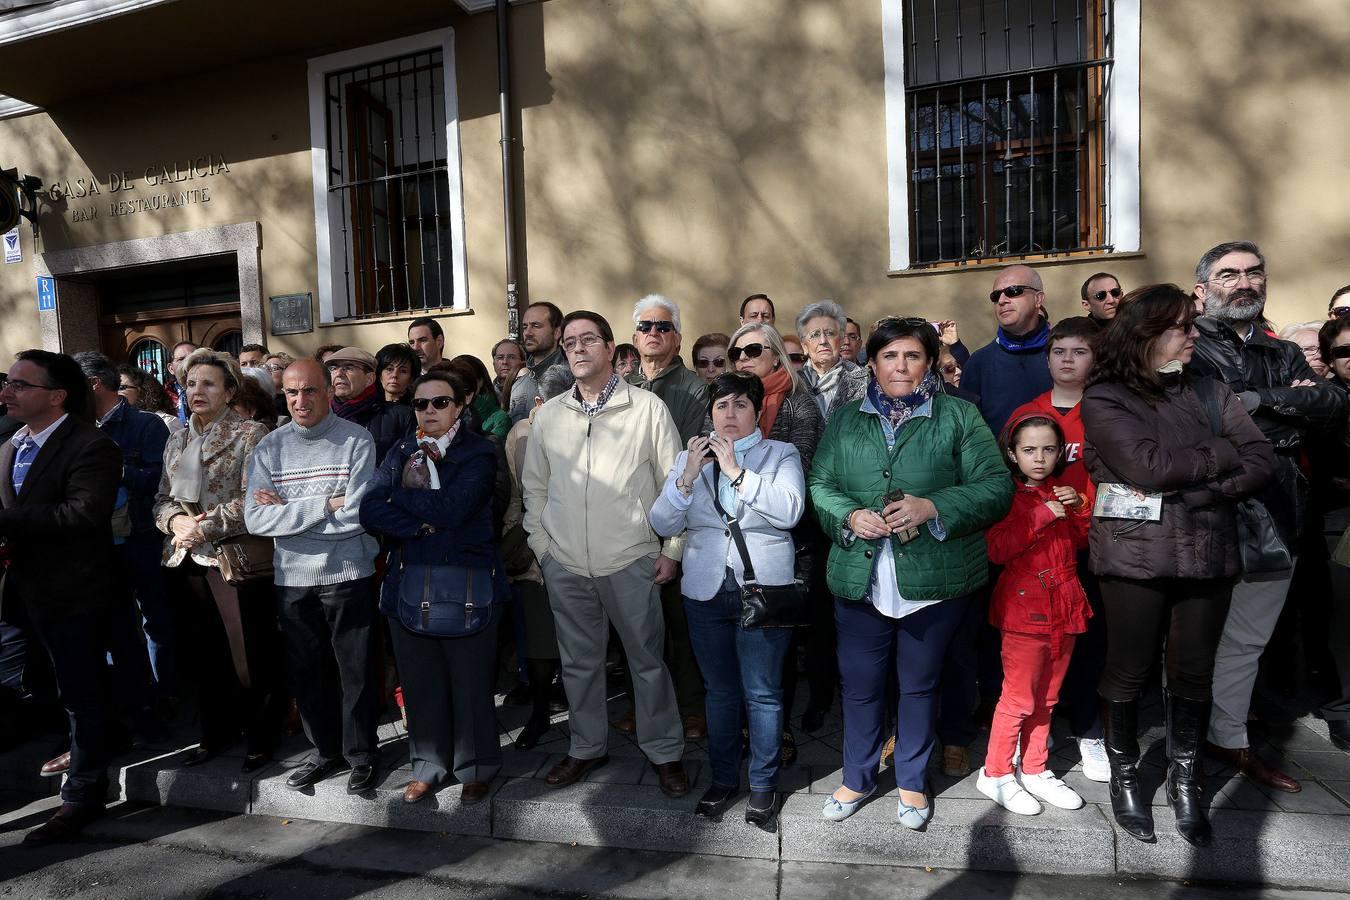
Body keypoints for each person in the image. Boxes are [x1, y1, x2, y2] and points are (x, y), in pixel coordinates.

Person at [1082, 283, 1276, 846]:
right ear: (1145, 335)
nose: (1193, 335)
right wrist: (1218, 458)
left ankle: (1185, 778)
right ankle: (1125, 777)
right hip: (1133, 557)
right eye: (1182, 327)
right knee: (1129, 669)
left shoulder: (1212, 390)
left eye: (1193, 325)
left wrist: (1205, 492)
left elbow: (1261, 457)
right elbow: (1147, 466)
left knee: (1193, 672)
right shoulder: (1106, 396)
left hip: (1209, 551)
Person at [808, 317, 1012, 828]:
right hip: (860, 576)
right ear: (872, 364)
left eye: (912, 356)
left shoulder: (960, 417)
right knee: (859, 687)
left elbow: (995, 487)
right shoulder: (845, 419)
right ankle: (856, 776)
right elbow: (821, 482)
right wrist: (850, 516)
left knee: (920, 685)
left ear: (928, 363)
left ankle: (912, 783)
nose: (901, 366)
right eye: (889, 356)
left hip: (935, 579)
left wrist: (933, 507)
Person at [1188, 241, 1349, 794]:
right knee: (1188, 638)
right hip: (1203, 512)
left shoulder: (1279, 349)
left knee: (1248, 639)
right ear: (1202, 289)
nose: (1244, 282)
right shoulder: (1186, 347)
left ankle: (1227, 737)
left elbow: (1331, 405)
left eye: (1254, 272)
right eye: (1229, 274)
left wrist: (1253, 402)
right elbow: (1201, 418)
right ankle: (1182, 747)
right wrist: (1283, 406)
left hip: (1278, 513)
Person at [521, 310, 690, 797]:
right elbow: (534, 489)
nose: (577, 348)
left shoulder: (646, 409)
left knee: (648, 663)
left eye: (587, 339)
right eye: (569, 340)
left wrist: (673, 548)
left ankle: (665, 752)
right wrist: (544, 549)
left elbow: (676, 484)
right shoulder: (550, 415)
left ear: (611, 348)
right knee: (577, 663)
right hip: (566, 562)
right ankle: (586, 746)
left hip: (632, 558)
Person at [650, 372, 806, 829]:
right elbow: (661, 521)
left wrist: (738, 472)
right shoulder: (689, 457)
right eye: (721, 406)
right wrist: (687, 478)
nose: (730, 414)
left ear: (758, 412)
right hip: (703, 587)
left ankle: (763, 785)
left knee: (762, 693)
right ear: (710, 413)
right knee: (719, 692)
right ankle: (722, 779)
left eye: (740, 405)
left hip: (763, 589)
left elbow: (790, 510)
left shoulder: (781, 454)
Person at [359, 369, 504, 805]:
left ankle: (476, 766)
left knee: (470, 682)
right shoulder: (401, 449)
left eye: (440, 402)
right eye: (421, 404)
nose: (429, 411)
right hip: (408, 581)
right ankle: (428, 765)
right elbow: (368, 509)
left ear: (460, 406)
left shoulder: (480, 451)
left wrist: (399, 500)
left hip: (468, 583)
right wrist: (422, 526)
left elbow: (455, 507)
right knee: (421, 684)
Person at [1, 350, 122, 845]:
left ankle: (82, 796)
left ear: (56, 395)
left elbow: (83, 514)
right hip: (19, 593)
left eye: (19, 384)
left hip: (73, 592)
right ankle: (73, 750)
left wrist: (6, 523)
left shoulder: (91, 445)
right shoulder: (10, 445)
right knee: (26, 685)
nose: (7, 391)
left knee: (81, 692)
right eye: (8, 382)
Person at [244, 359, 381, 795]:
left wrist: (287, 511)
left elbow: (357, 515)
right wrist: (326, 504)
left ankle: (361, 754)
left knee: (355, 671)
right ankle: (325, 751)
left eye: (309, 391)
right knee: (307, 671)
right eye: (291, 393)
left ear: (328, 392)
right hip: (291, 578)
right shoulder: (269, 447)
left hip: (348, 572)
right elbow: (256, 520)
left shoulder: (356, 440)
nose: (300, 401)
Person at [153, 349, 285, 773]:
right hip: (184, 557)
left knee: (248, 652)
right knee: (203, 654)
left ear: (230, 391)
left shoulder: (251, 434)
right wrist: (175, 522)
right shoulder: (177, 437)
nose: (197, 391)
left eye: (208, 383)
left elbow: (255, 501)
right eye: (190, 384)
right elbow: (161, 497)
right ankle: (216, 731)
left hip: (232, 558)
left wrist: (202, 528)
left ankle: (262, 734)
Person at [1005, 316, 1107, 781]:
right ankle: (1022, 739)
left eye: (1079, 351)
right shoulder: (1027, 411)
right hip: (1034, 555)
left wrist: (1083, 504)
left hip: (1090, 545)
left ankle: (1089, 732)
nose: (1068, 360)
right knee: (1032, 657)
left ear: (1094, 358)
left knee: (1087, 647)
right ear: (1047, 359)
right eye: (1059, 351)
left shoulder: (1108, 408)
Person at [978, 414, 1091, 816]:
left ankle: (1035, 767)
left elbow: (1080, 541)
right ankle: (995, 771)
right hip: (1024, 609)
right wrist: (1042, 514)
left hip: (1065, 604)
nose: (1039, 458)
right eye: (1028, 450)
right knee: (1019, 698)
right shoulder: (1003, 495)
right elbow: (997, 549)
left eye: (1048, 449)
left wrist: (1077, 508)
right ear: (1011, 453)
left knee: (1048, 696)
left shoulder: (1062, 490)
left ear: (1060, 452)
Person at [624, 295, 710, 736]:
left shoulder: (695, 389)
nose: (653, 333)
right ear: (634, 338)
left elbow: (692, 467)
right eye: (645, 327)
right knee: (638, 625)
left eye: (662, 326)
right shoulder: (622, 388)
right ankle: (646, 706)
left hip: (676, 525)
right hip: (627, 527)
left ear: (677, 337)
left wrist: (674, 545)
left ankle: (692, 706)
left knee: (679, 624)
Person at [76, 352, 173, 711]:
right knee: (110, 625)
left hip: (141, 536)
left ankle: (163, 696)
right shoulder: (78, 426)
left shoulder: (146, 425)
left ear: (93, 384)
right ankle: (129, 698)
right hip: (97, 542)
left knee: (154, 620)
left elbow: (162, 481)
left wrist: (115, 471)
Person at [504, 363, 572, 750]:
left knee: (577, 638)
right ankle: (541, 713)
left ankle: (576, 710)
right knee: (540, 639)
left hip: (580, 547)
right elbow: (527, 493)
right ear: (538, 401)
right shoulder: (524, 432)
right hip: (535, 550)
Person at [962, 265, 1055, 436]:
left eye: (1013, 291)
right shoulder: (979, 362)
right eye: (996, 296)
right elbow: (967, 431)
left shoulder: (1064, 354)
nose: (1002, 300)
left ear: (1038, 299)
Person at [1314, 317, 1350, 749]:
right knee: (1344, 624)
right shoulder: (1325, 404)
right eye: (1343, 352)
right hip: (1339, 525)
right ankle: (1343, 707)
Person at [326, 347, 415, 465]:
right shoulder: (320, 416)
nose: (339, 373)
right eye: (333, 368)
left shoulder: (401, 415)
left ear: (369, 379)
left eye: (348, 368)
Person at [796, 301, 868, 423]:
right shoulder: (792, 383)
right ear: (804, 346)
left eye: (830, 333)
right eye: (815, 334)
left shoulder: (862, 380)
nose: (823, 340)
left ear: (840, 341)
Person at [509, 301, 566, 423]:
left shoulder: (574, 378)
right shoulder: (518, 386)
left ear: (557, 332)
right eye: (525, 327)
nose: (528, 333)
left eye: (536, 325)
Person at [448, 355, 511, 442]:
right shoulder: (440, 411)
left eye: (467, 381)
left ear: (480, 381)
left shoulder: (500, 418)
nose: (459, 387)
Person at [119, 364, 183, 433]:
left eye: (121, 388)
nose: (115, 392)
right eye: (112, 387)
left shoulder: (167, 422)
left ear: (141, 390)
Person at [168, 340, 198, 424]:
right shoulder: (162, 397)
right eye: (181, 359)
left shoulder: (214, 392)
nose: (187, 363)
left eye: (193, 359)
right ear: (171, 368)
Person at [491, 338, 525, 402]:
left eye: (512, 357)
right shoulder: (485, 395)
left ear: (522, 361)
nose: (505, 362)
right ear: (494, 363)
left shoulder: (532, 389)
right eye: (500, 357)